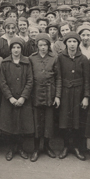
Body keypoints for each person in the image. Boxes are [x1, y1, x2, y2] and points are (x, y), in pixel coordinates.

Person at [0, 36, 33, 161]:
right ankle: (11, 149)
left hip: (23, 100)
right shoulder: (5, 63)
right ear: (10, 49)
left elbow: (30, 81)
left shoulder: (27, 62)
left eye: (18, 47)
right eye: (14, 47)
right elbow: (2, 82)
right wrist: (10, 98)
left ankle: (20, 148)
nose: (16, 50)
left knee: (22, 124)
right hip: (10, 100)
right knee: (10, 125)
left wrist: (23, 97)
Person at [28, 33, 62, 162]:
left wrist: (57, 96)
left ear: (49, 46)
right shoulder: (32, 58)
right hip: (36, 93)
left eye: (45, 45)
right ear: (37, 46)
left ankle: (47, 146)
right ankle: (36, 148)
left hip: (50, 93)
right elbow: (29, 77)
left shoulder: (54, 58)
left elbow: (58, 78)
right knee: (37, 122)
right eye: (40, 45)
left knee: (48, 122)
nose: (43, 47)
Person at [57, 32, 90, 161]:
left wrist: (86, 96)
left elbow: (87, 80)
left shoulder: (83, 59)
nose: (72, 44)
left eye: (74, 42)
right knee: (65, 120)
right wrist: (58, 96)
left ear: (78, 43)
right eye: (69, 42)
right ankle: (66, 146)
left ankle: (76, 147)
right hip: (65, 92)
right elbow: (58, 77)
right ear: (66, 43)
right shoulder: (60, 57)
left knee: (77, 121)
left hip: (79, 93)